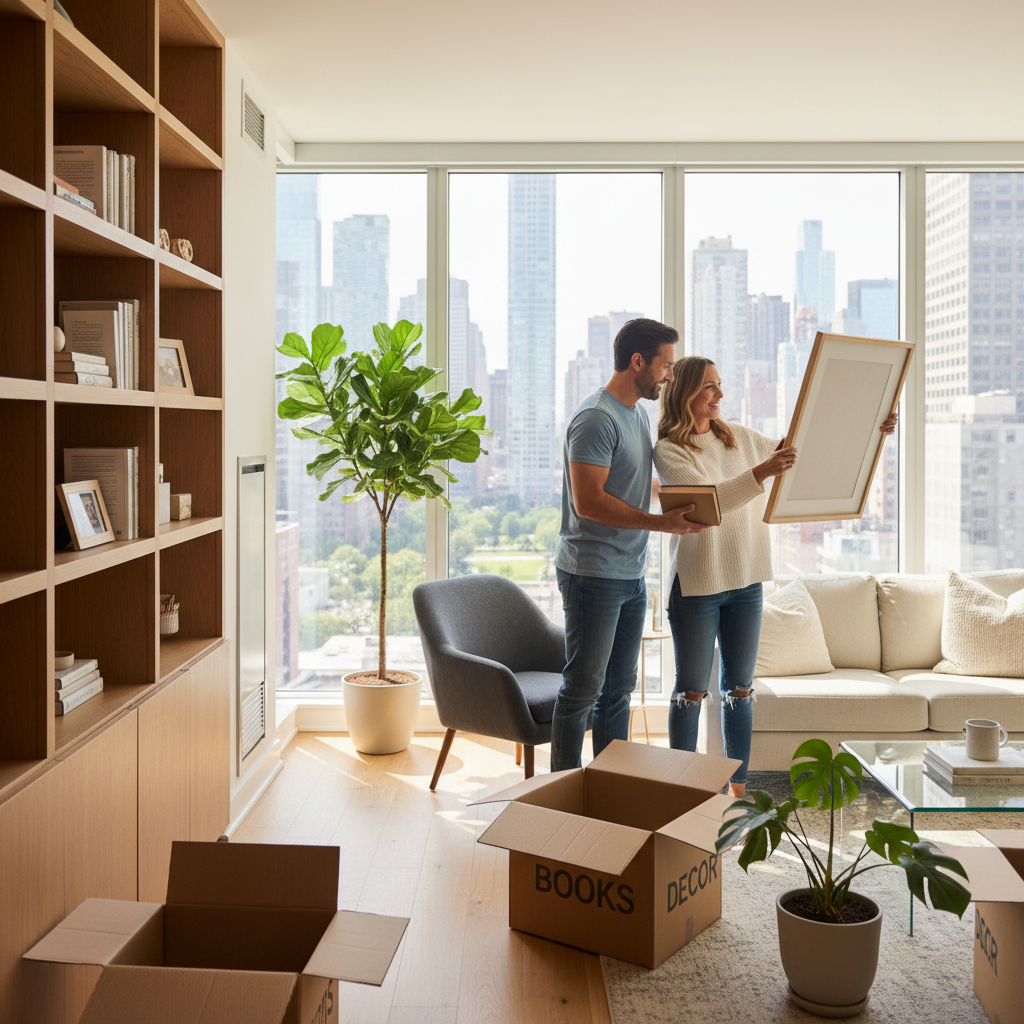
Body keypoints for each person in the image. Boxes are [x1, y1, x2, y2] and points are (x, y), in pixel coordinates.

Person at [654, 356, 897, 795]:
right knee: (691, 691)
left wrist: (871, 430)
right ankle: (681, 788)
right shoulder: (670, 449)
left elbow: (801, 452)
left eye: (720, 385)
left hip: (746, 580)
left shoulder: (739, 438)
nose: (720, 395)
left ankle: (739, 790)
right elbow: (705, 504)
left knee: (741, 690)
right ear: (686, 391)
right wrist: (761, 473)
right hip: (695, 585)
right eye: (710, 387)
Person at [550, 319, 708, 772]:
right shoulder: (596, 418)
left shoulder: (637, 413)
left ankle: (607, 785)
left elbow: (633, 482)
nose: (670, 377)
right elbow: (590, 502)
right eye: (666, 366)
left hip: (631, 574)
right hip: (592, 574)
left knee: (618, 688)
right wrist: (661, 524)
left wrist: (680, 497)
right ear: (638, 362)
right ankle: (562, 790)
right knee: (583, 688)